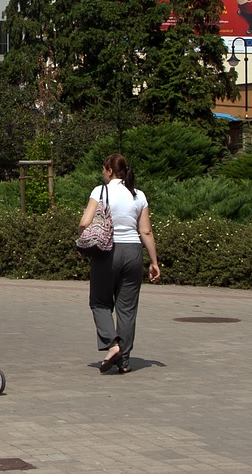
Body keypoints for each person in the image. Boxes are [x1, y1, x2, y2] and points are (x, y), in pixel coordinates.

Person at [79, 153, 160, 374]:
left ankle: (112, 345)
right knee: (127, 310)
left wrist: (82, 241)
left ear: (110, 171)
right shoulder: (138, 194)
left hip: (107, 252)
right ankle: (124, 361)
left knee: (100, 303)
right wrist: (154, 261)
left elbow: (85, 222)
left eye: (104, 169)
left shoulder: (100, 191)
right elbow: (146, 230)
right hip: (134, 252)